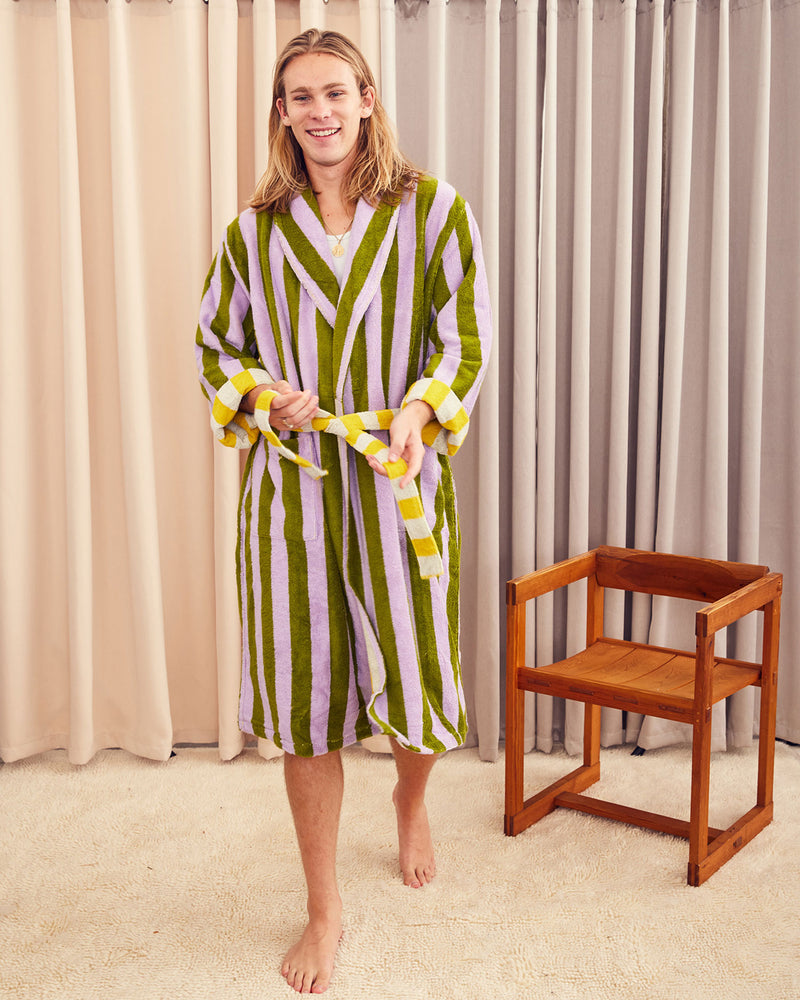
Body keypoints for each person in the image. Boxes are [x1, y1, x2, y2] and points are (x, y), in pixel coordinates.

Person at [196, 28, 491, 995]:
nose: (319, 111)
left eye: (335, 92)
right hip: (292, 492)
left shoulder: (434, 211)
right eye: (300, 97)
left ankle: (410, 798)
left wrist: (419, 411)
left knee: (417, 679)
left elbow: (464, 340)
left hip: (396, 478)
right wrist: (259, 393)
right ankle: (324, 911)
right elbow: (215, 348)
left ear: (366, 98)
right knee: (305, 699)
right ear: (281, 114)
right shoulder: (253, 233)